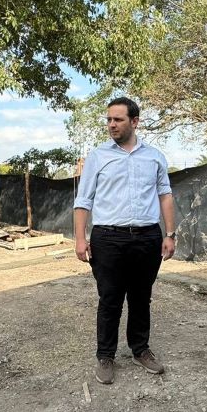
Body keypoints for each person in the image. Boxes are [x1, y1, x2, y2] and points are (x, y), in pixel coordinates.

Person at [74, 97, 176, 385]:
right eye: (108, 119)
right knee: (110, 299)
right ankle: (105, 355)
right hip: (108, 238)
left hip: (147, 237)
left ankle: (140, 349)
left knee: (141, 297)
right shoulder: (98, 156)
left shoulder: (154, 157)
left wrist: (170, 234)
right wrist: (80, 238)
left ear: (135, 121)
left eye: (117, 119)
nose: (111, 124)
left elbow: (165, 195)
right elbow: (83, 200)